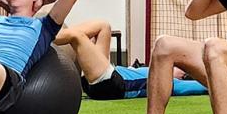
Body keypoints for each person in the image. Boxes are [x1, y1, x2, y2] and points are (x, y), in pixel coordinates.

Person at [54, 18, 209, 100]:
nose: (178, 65)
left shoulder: (169, 83)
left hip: (110, 85)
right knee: (103, 27)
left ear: (182, 76)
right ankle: (53, 33)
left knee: (77, 37)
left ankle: (44, 35)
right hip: (105, 76)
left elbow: (204, 86)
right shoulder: (156, 69)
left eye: (182, 68)